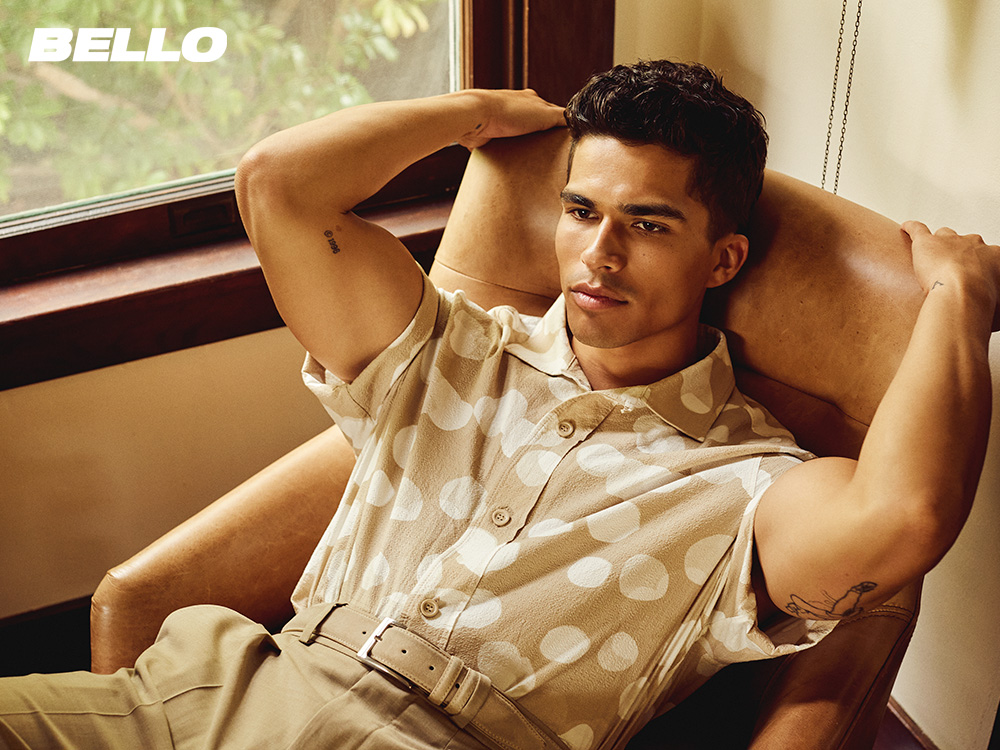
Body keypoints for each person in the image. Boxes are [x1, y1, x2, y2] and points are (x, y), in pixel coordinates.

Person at [1, 60, 996, 750]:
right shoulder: (449, 345)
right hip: (198, 700)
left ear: (722, 259)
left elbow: (903, 518)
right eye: (580, 211)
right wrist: (473, 111)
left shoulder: (749, 483)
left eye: (648, 225)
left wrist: (958, 300)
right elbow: (277, 185)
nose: (599, 255)